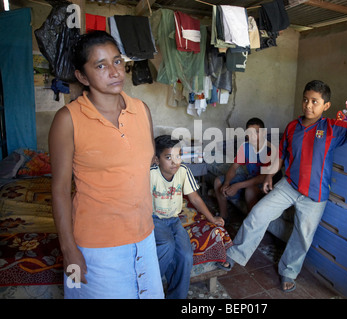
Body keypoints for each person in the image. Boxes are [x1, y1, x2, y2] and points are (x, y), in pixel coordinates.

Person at [217, 80, 347, 292]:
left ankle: (288, 271)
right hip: (289, 186)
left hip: (315, 196)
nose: (308, 105)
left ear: (325, 106)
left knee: (302, 236)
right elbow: (281, 156)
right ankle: (236, 254)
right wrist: (269, 177)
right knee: (258, 214)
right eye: (305, 100)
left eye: (315, 102)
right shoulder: (293, 127)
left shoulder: (333, 128)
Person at [49, 31, 164, 299]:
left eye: (117, 61)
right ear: (82, 76)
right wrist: (69, 251)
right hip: (95, 248)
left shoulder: (141, 109)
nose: (114, 72)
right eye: (100, 65)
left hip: (143, 238)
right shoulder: (67, 120)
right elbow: (60, 190)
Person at [151, 135, 225, 299]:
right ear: (156, 159)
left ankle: (177, 296)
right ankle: (149, 289)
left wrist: (212, 218)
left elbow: (195, 198)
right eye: (168, 157)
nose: (175, 162)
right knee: (167, 244)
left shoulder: (183, 171)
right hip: (155, 220)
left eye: (178, 156)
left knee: (185, 255)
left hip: (174, 220)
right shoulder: (150, 174)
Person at [214, 118, 274, 220]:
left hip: (266, 183)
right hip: (251, 177)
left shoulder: (269, 150)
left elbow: (263, 178)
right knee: (218, 182)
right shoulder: (245, 147)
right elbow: (233, 167)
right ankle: (223, 217)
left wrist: (237, 186)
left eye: (257, 132)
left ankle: (250, 224)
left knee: (249, 190)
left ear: (264, 133)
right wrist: (227, 183)